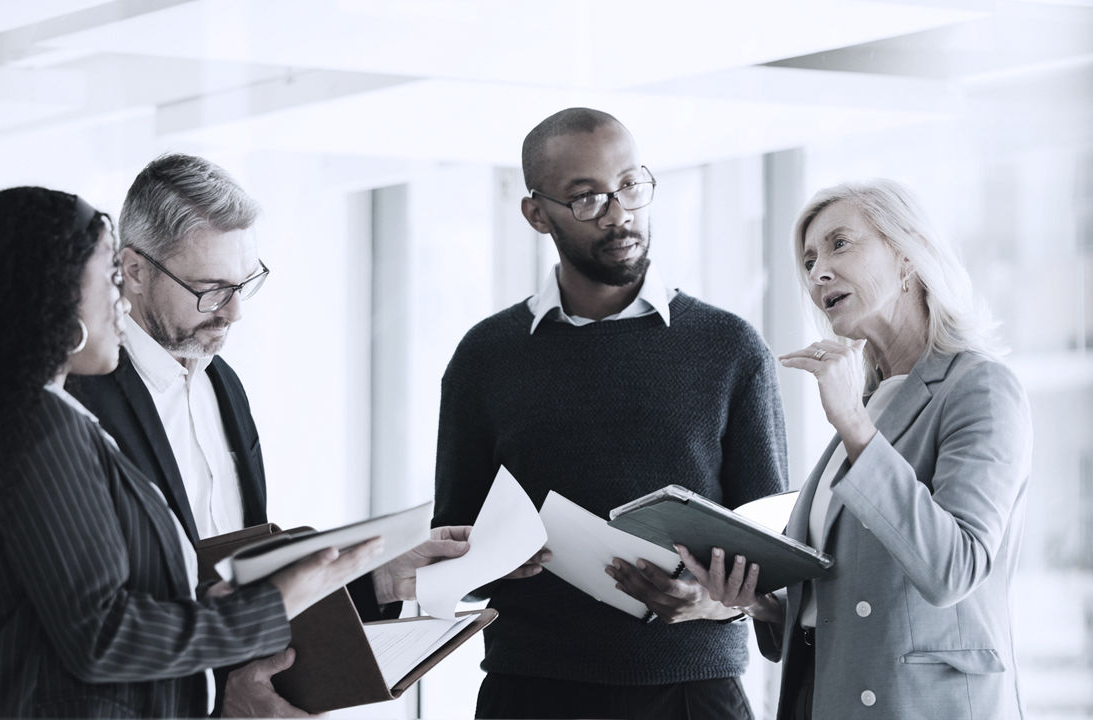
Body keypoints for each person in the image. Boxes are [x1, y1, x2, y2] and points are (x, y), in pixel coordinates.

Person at [0, 186, 380, 717]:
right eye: (111, 281)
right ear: (55, 296)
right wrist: (273, 608)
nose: (122, 302)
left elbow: (86, 612)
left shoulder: (31, 420)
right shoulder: (37, 425)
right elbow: (102, 637)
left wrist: (218, 605)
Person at [66, 154, 470, 717]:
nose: (234, 313)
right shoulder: (77, 400)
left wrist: (377, 578)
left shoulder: (222, 385)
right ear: (133, 270)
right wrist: (211, 703)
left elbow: (241, 579)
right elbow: (91, 623)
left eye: (245, 284)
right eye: (210, 289)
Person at [432, 107, 789, 720]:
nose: (620, 213)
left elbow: (772, 556)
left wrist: (709, 600)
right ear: (536, 213)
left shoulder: (728, 347)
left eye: (630, 185)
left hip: (692, 692)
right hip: (532, 691)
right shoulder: (486, 356)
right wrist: (492, 561)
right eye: (587, 198)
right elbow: (452, 543)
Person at [678, 179, 1032, 719]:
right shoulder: (874, 400)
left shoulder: (977, 387)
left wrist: (852, 424)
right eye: (809, 259)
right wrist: (756, 602)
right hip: (826, 696)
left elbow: (953, 570)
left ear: (908, 254)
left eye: (840, 244)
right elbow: (847, 593)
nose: (818, 271)